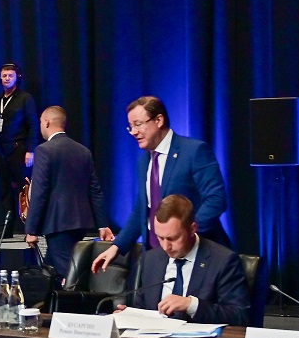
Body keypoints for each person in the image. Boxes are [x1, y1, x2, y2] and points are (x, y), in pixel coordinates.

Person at [92, 95, 231, 273]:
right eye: (131, 126)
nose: (133, 132)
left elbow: (216, 199)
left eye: (138, 124)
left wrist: (184, 236)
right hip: (157, 257)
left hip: (196, 255)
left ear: (158, 120)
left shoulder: (193, 151)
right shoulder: (144, 162)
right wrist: (116, 247)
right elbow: (142, 211)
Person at [131, 195, 249, 326]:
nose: (165, 247)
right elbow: (142, 308)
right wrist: (130, 315)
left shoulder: (223, 260)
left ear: (192, 229)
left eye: (173, 238)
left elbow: (240, 316)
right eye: (160, 238)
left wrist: (192, 305)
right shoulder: (151, 259)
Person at [24, 107, 113, 280]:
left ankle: (75, 297)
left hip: (58, 225)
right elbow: (95, 190)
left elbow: (39, 192)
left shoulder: (44, 150)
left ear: (47, 122)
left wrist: (31, 229)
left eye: (41, 121)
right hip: (81, 224)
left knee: (67, 275)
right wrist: (102, 224)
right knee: (51, 272)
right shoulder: (83, 151)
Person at [0, 63, 38, 220]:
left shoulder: (25, 98)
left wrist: (30, 150)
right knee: (4, 190)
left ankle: (29, 225)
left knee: (24, 188)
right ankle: (7, 226)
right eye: (4, 76)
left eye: (10, 75)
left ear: (17, 78)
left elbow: (33, 124)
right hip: (0, 150)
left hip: (18, 149)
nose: (7, 78)